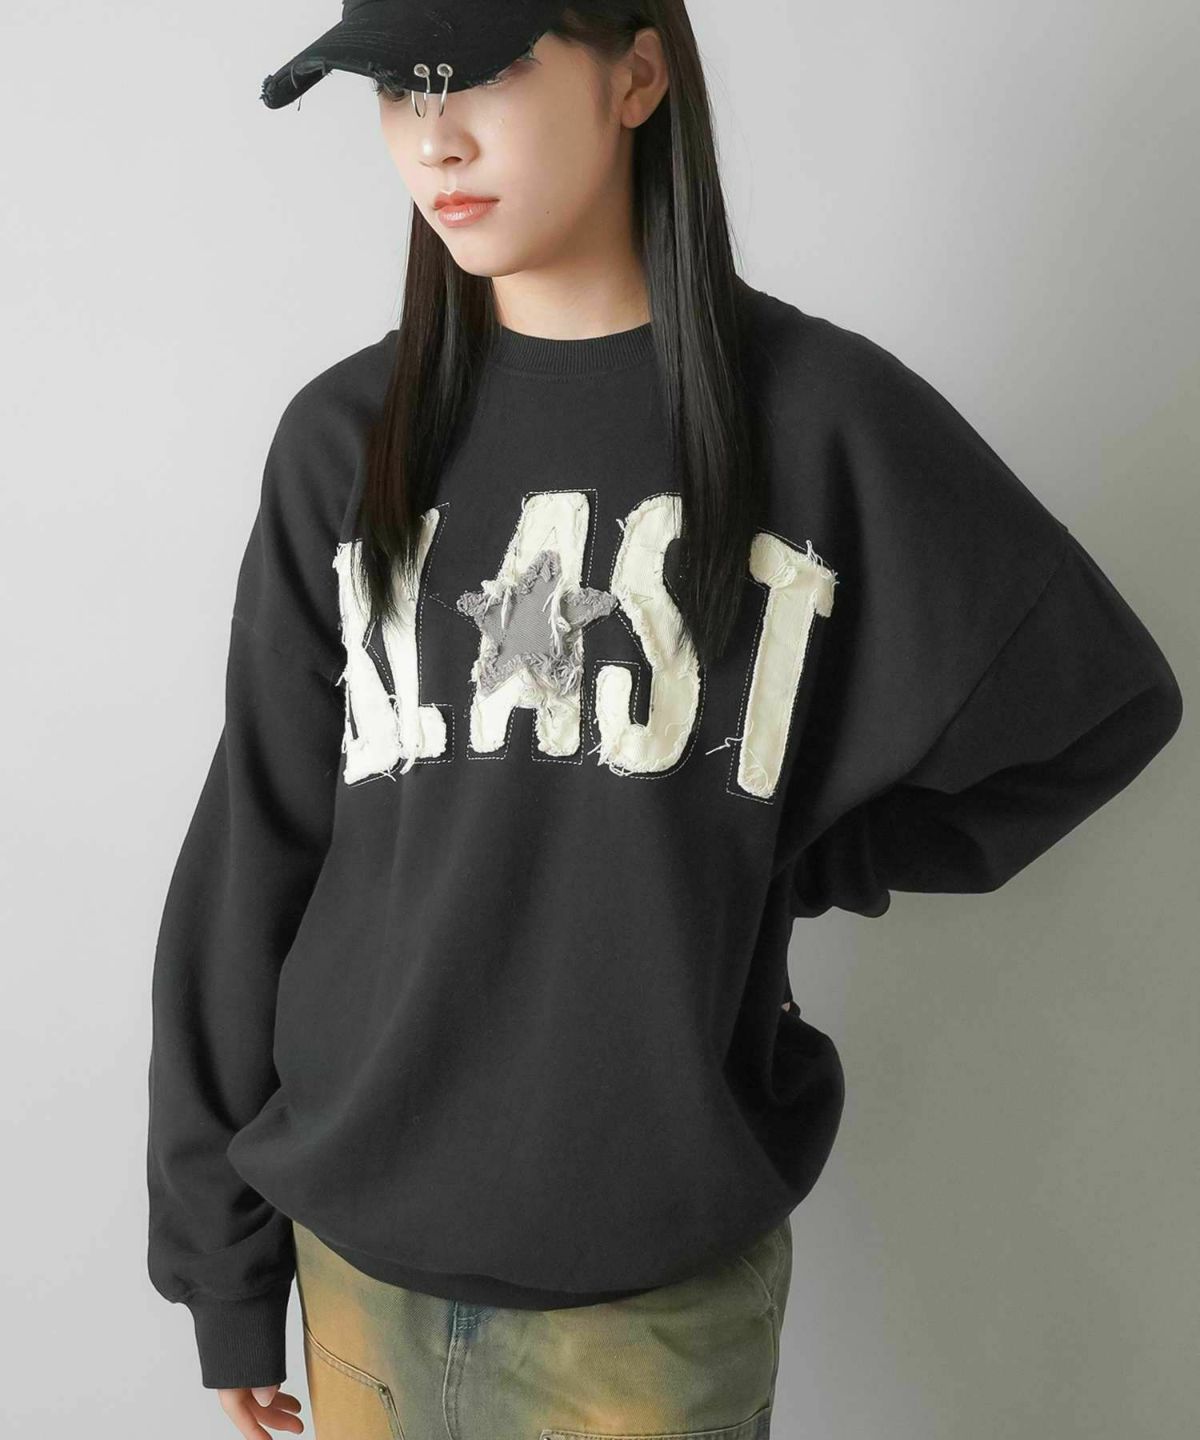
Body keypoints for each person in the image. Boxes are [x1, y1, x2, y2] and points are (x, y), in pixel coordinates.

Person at [144, 2, 1185, 1437]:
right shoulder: (346, 439)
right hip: (354, 1270)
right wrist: (220, 1263)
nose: (435, 139)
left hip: (645, 1311)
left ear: (636, 74)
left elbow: (1093, 707)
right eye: (395, 89)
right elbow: (254, 850)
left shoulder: (820, 422)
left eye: (490, 70)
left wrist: (788, 851)